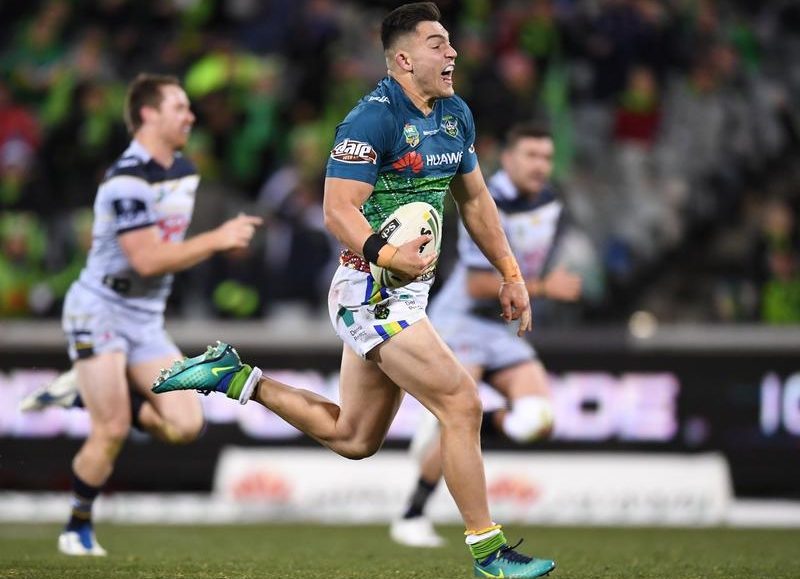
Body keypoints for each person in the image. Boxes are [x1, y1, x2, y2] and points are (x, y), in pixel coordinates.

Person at [152, 4, 556, 578]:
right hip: (370, 291)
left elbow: (475, 202)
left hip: (406, 293)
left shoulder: (455, 115)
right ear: (403, 59)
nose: (453, 52)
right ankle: (489, 553)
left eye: (450, 42)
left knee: (355, 436)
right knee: (462, 404)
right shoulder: (371, 120)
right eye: (437, 44)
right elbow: (337, 210)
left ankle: (235, 377)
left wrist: (511, 273)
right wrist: (390, 256)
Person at [20, 73, 262, 556]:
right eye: (180, 107)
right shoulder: (126, 181)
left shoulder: (183, 170)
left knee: (186, 426)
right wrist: (217, 239)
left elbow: (165, 249)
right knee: (110, 430)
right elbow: (147, 260)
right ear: (148, 114)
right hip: (99, 309)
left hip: (145, 317)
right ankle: (77, 526)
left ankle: (87, 392)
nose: (190, 116)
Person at [391, 122, 582, 548]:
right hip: (462, 321)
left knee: (536, 421)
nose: (540, 165)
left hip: (500, 326)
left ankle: (464, 422)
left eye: (546, 157)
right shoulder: (483, 200)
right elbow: (479, 285)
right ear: (508, 159)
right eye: (530, 155)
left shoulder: (552, 204)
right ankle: (411, 515)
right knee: (461, 415)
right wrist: (545, 288)